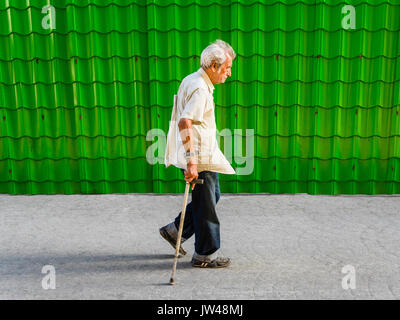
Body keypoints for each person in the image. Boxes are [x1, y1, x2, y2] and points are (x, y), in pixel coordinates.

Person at [161, 39, 236, 268]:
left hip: (204, 154)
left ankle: (176, 230)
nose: (229, 73)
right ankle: (205, 254)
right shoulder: (201, 89)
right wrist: (192, 162)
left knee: (211, 197)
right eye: (227, 68)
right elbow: (185, 121)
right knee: (207, 206)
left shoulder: (192, 80)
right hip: (200, 157)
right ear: (213, 65)